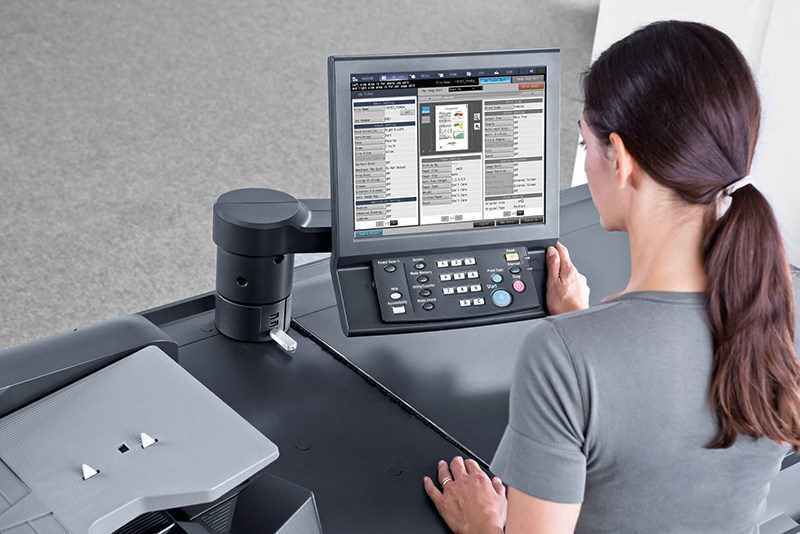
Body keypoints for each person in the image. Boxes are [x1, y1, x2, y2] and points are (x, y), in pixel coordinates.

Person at [423, 20, 800, 533]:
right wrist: (586, 328)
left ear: (619, 159)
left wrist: (483, 524)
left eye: (585, 145)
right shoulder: (779, 304)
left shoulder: (560, 356)